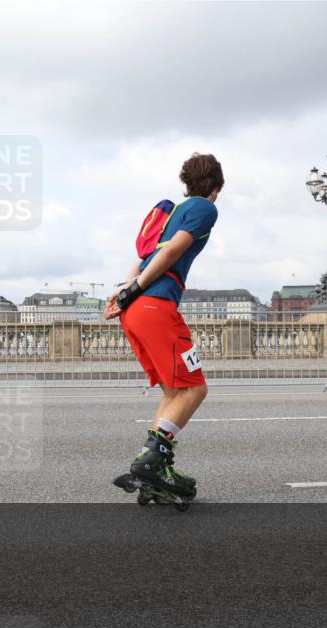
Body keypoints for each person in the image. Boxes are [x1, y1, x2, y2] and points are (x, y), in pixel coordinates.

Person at [109, 153, 223, 500]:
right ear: (216, 187)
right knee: (195, 390)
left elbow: (144, 256)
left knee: (175, 393)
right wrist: (136, 289)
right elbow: (172, 252)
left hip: (137, 311)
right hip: (155, 306)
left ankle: (156, 464)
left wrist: (123, 291)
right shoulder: (204, 208)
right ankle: (151, 463)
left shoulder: (170, 212)